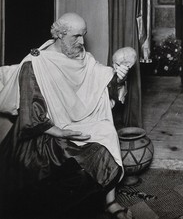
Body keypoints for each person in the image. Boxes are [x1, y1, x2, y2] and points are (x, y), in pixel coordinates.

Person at [0, 13, 134, 219]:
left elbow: (100, 81)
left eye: (84, 35)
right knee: (78, 169)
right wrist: (61, 132)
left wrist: (117, 77)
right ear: (59, 35)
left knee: (106, 131)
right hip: (44, 132)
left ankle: (110, 202)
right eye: (76, 36)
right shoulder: (35, 63)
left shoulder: (80, 56)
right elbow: (31, 114)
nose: (82, 42)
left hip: (76, 122)